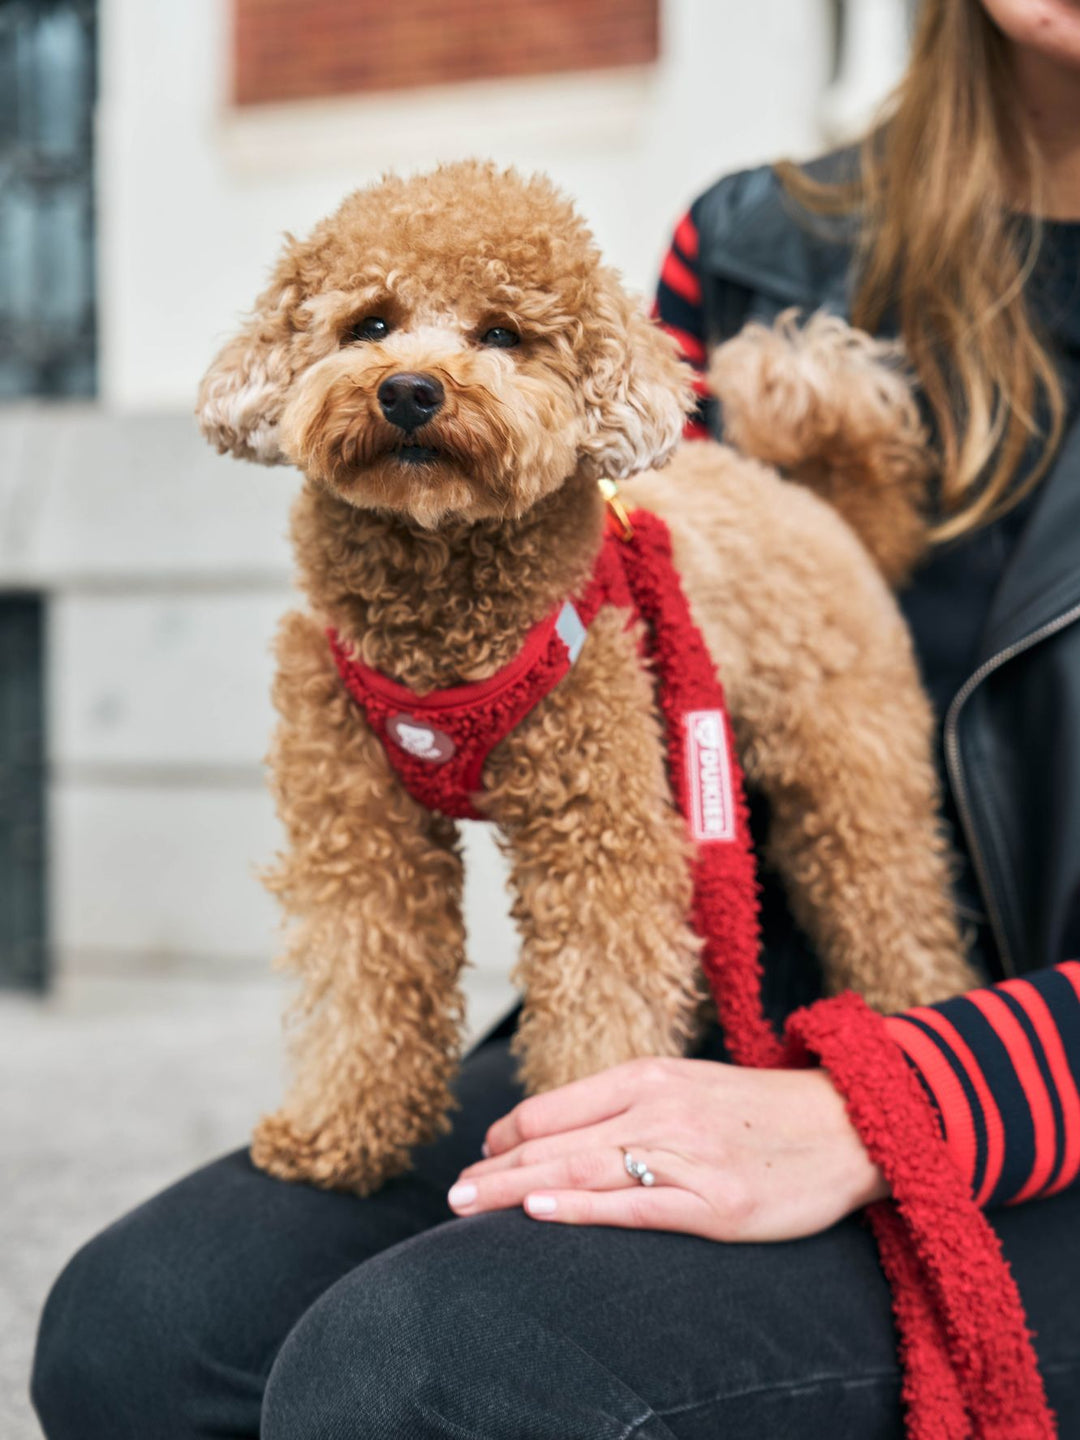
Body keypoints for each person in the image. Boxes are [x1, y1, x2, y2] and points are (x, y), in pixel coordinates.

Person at [30, 0, 1080, 1434]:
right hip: (717, 991)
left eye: (496, 336)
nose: (418, 366)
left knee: (420, 1376)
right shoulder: (755, 236)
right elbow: (643, 516)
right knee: (134, 1335)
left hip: (1005, 1073)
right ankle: (380, 1086)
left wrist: (902, 1094)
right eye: (377, 326)